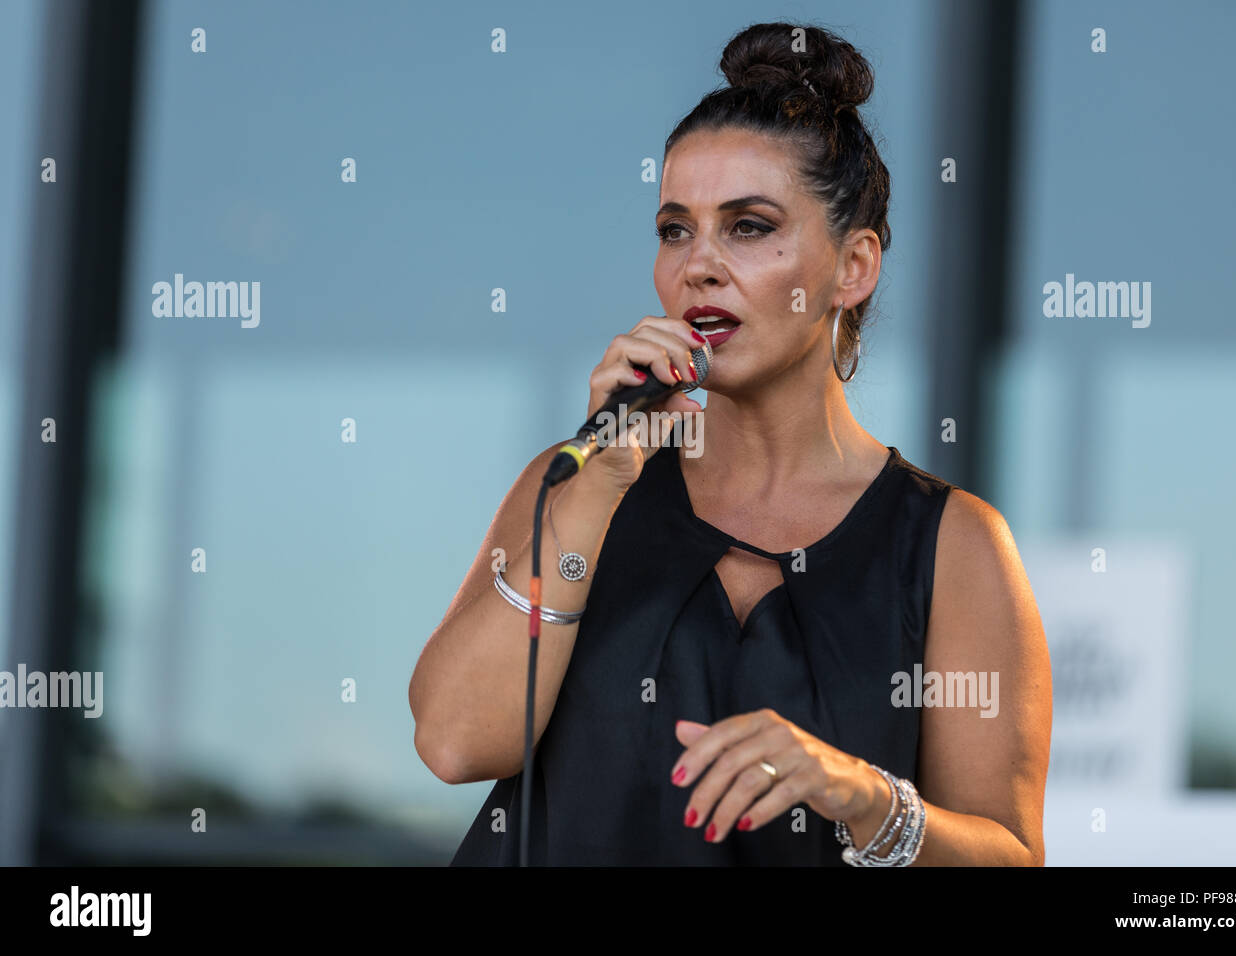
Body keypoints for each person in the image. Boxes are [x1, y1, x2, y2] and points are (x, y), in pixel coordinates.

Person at [409, 20, 1051, 866]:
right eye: (676, 229)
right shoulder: (580, 480)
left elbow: (1009, 855)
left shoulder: (949, 544)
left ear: (853, 268)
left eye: (748, 226)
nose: (698, 265)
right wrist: (593, 496)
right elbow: (455, 743)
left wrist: (862, 795)